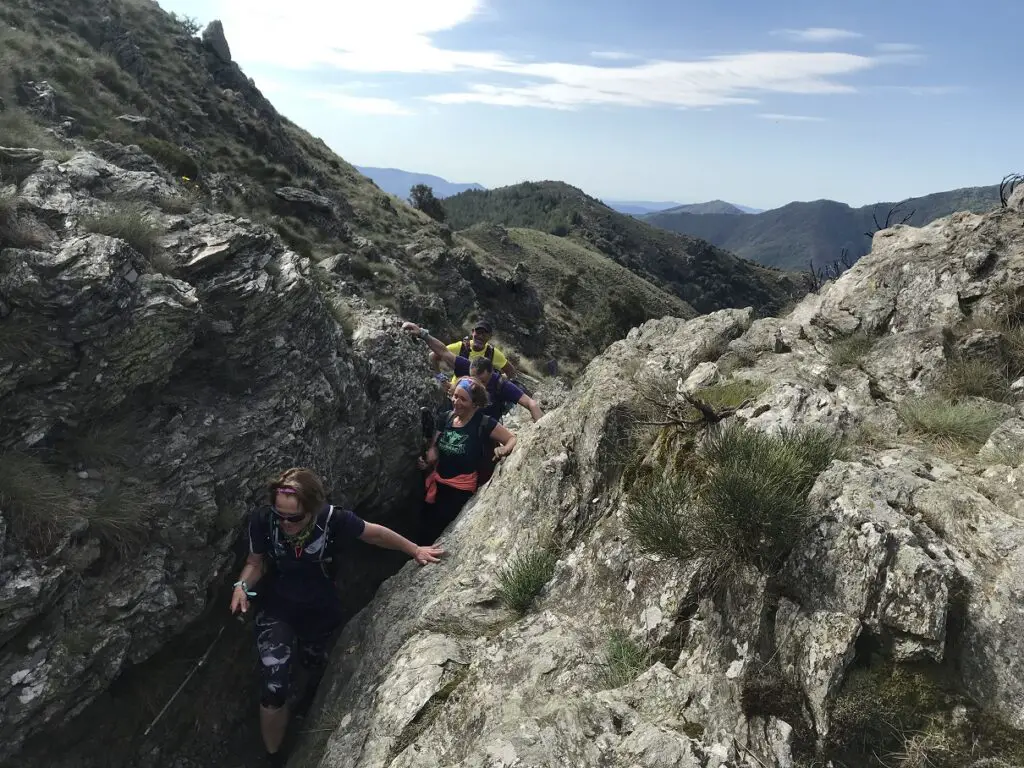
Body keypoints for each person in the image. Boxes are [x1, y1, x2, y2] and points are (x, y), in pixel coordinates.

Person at [229, 468, 444, 767]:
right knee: (274, 687)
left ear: (312, 508)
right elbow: (255, 562)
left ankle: (307, 701)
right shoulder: (264, 521)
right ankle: (273, 756)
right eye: (281, 516)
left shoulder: (333, 520)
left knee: (312, 664)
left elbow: (376, 534)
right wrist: (241, 586)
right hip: (278, 608)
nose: (286, 524)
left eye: (295, 518)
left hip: (320, 610)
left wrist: (414, 549)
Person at [417, 375, 517, 544]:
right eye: (455, 396)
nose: (456, 401)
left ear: (475, 404)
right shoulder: (447, 418)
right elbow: (435, 444)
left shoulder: (483, 423)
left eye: (463, 399)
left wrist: (504, 449)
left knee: (441, 531)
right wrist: (429, 460)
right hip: (438, 485)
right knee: (425, 525)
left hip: (460, 492)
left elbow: (511, 438)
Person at [404, 321, 543, 424]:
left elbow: (531, 403)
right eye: (471, 378)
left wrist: (543, 428)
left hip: (483, 427)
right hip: (457, 412)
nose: (474, 384)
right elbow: (441, 351)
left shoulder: (499, 383)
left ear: (491, 374)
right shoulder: (466, 363)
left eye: (482, 381)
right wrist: (422, 333)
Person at [430, 318, 519, 381]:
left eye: (484, 334)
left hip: (478, 396)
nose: (480, 336)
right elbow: (433, 355)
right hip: (457, 392)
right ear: (472, 332)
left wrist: (498, 381)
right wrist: (440, 377)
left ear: (490, 337)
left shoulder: (492, 353)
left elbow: (511, 372)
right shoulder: (461, 347)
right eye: (478, 332)